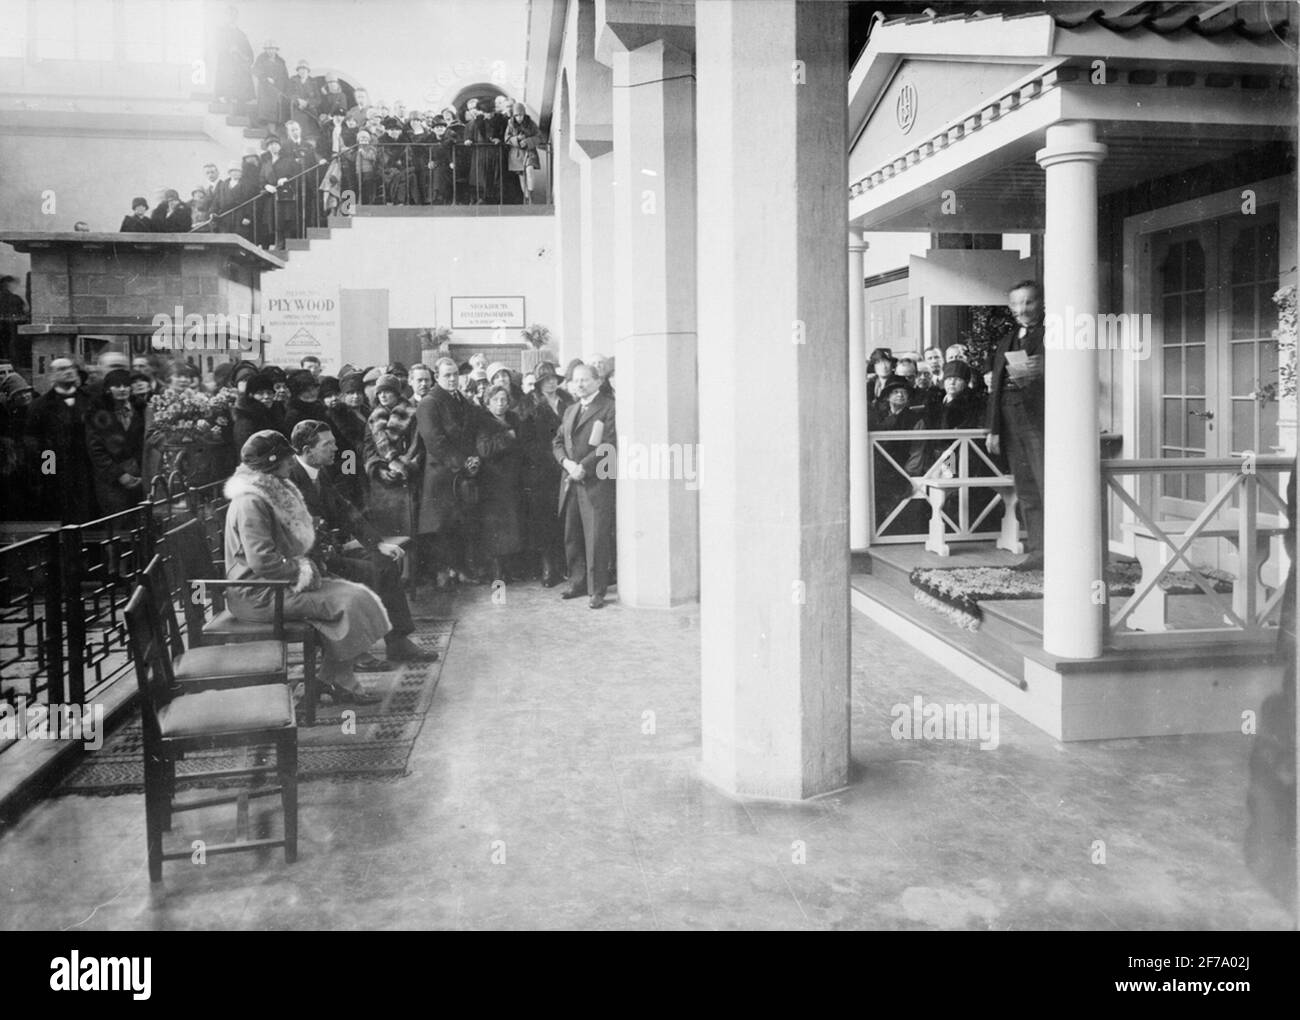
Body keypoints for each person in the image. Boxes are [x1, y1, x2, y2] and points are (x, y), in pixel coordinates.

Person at [223, 430, 390, 704]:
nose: (293, 461)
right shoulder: (250, 502)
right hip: (259, 593)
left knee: (357, 595)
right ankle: (335, 681)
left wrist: (310, 562)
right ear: (271, 463)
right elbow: (262, 560)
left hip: (277, 584)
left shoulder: (270, 491)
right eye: (288, 457)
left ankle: (327, 680)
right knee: (349, 602)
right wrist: (304, 571)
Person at [288, 420, 436, 666]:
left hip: (327, 550)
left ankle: (398, 642)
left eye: (335, 443)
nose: (336, 449)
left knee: (383, 561)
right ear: (307, 450)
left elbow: (345, 510)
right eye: (328, 445)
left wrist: (377, 544)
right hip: (306, 561)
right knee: (369, 571)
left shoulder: (318, 472)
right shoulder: (290, 477)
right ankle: (354, 651)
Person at [986, 279, 1046, 570]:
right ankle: (1038, 552)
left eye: (1029, 302)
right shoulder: (1005, 340)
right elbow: (995, 389)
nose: (1022, 309)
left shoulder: (1054, 335)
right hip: (1010, 421)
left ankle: (1062, 552)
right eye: (1016, 304)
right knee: (1026, 490)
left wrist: (1044, 370)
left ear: (1041, 302)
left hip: (1040, 421)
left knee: (1049, 486)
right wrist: (994, 429)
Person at [416, 357, 484, 587]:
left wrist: (474, 458)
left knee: (459, 525)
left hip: (461, 473)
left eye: (455, 374)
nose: (453, 378)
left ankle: (461, 570)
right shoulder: (429, 403)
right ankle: (442, 573)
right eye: (447, 375)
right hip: (441, 474)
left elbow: (471, 433)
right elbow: (435, 441)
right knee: (440, 527)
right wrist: (463, 463)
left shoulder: (461, 400)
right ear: (437, 377)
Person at [552, 363, 616, 609]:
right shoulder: (570, 410)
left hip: (595, 483)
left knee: (596, 537)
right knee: (573, 534)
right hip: (570, 481)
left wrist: (583, 467)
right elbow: (557, 441)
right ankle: (577, 582)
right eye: (576, 380)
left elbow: (608, 444)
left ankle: (597, 590)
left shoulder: (609, 407)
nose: (579, 384)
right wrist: (567, 463)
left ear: (598, 381)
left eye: (585, 380)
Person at [26, 356, 97, 522]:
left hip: (89, 472)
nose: (68, 372)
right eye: (62, 369)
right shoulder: (39, 406)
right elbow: (35, 442)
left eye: (71, 368)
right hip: (58, 474)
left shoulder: (91, 401)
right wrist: (49, 472)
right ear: (52, 376)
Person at [520, 361, 571, 586]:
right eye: (545, 379)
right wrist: (548, 458)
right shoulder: (528, 405)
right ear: (538, 383)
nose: (551, 382)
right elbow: (526, 442)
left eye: (553, 378)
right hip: (541, 471)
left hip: (566, 465)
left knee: (565, 518)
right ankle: (549, 567)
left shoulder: (567, 401)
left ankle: (566, 565)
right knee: (545, 520)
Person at [476, 384, 525, 583]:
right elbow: (484, 449)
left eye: (504, 400)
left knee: (512, 526)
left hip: (513, 480)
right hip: (493, 482)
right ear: (487, 403)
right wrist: (507, 437)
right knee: (496, 528)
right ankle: (497, 571)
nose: (500, 404)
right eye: (495, 400)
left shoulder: (514, 419)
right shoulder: (483, 422)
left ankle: (509, 569)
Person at [365, 373, 420, 535]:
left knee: (407, 533)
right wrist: (378, 470)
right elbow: (368, 449)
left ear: (397, 393)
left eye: (387, 391)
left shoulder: (412, 414)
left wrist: (402, 467)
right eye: (380, 392)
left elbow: (416, 446)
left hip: (406, 479)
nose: (383, 395)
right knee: (386, 533)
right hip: (382, 483)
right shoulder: (373, 418)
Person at [85, 367, 145, 514]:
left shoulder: (141, 409)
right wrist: (119, 475)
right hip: (111, 481)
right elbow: (96, 450)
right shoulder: (97, 413)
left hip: (140, 477)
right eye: (117, 386)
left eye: (126, 385)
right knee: (118, 524)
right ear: (108, 389)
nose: (122, 389)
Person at [213, 5, 254, 107]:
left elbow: (248, 52)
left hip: (238, 67)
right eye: (229, 15)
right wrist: (228, 49)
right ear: (226, 16)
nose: (232, 17)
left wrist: (245, 56)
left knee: (239, 94)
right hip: (226, 65)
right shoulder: (220, 31)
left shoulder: (241, 34)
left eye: (234, 15)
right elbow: (216, 46)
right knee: (225, 91)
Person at [232, 370, 281, 450]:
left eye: (269, 392)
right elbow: (247, 450)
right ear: (251, 395)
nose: (266, 396)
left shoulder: (275, 412)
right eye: (260, 393)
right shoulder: (246, 419)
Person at [504, 102, 541, 204]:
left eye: (520, 115)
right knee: (522, 176)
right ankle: (527, 198)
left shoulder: (531, 124)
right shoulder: (510, 124)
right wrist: (517, 139)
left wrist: (528, 141)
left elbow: (539, 137)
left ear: (524, 114)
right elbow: (506, 139)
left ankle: (531, 194)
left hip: (529, 152)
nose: (519, 118)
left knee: (529, 170)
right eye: (516, 115)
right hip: (517, 154)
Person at [252, 40, 289, 128]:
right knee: (267, 112)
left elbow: (285, 75)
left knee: (278, 111)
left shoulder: (281, 61)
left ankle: (276, 129)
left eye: (272, 49)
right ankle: (269, 129)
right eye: (268, 49)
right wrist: (265, 78)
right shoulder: (261, 59)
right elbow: (255, 70)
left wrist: (285, 87)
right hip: (266, 89)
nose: (270, 51)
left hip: (278, 88)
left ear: (276, 50)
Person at [282, 368, 325, 434]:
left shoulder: (320, 408)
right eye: (306, 391)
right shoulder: (294, 415)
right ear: (297, 394)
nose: (312, 393)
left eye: (313, 388)